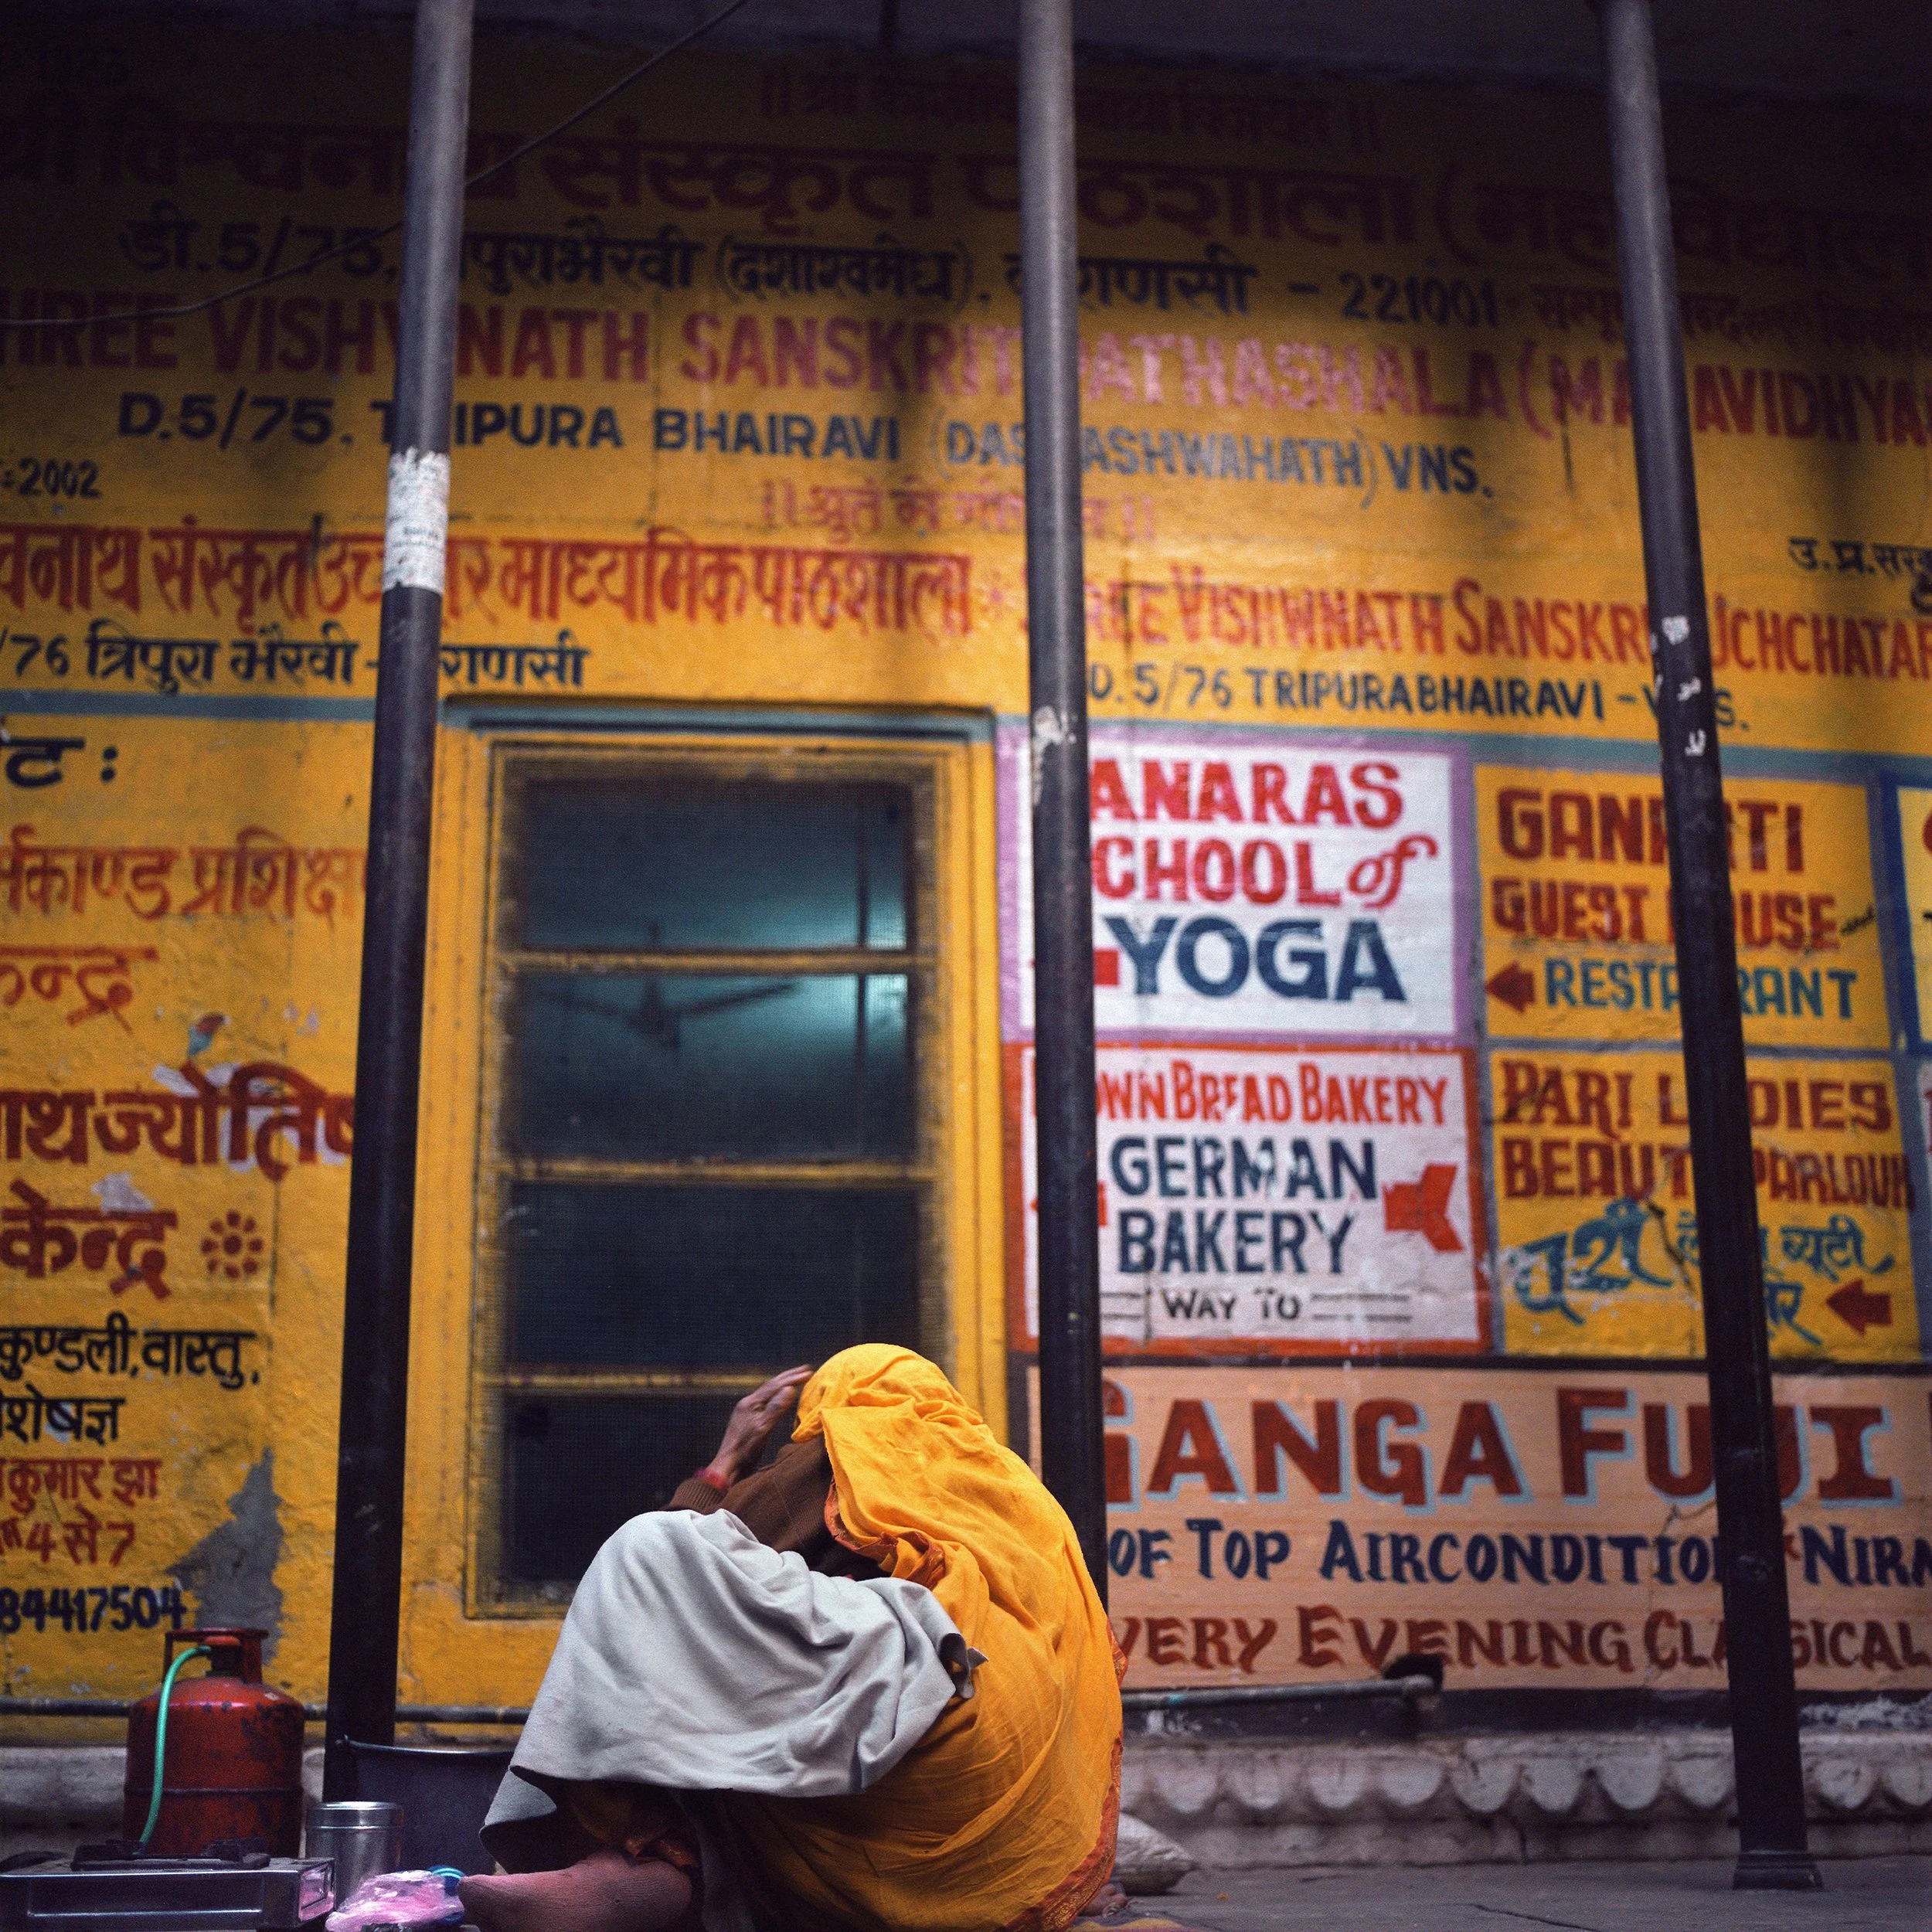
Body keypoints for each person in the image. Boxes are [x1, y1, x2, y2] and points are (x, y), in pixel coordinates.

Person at [461, 1345, 1125, 1932]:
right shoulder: (1017, 1493)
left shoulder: (844, 1450)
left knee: (652, 1575)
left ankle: (645, 1864)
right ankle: (651, 1880)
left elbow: (671, 1583)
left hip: (910, 1733)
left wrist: (728, 1457)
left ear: (827, 1407)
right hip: (1003, 1816)